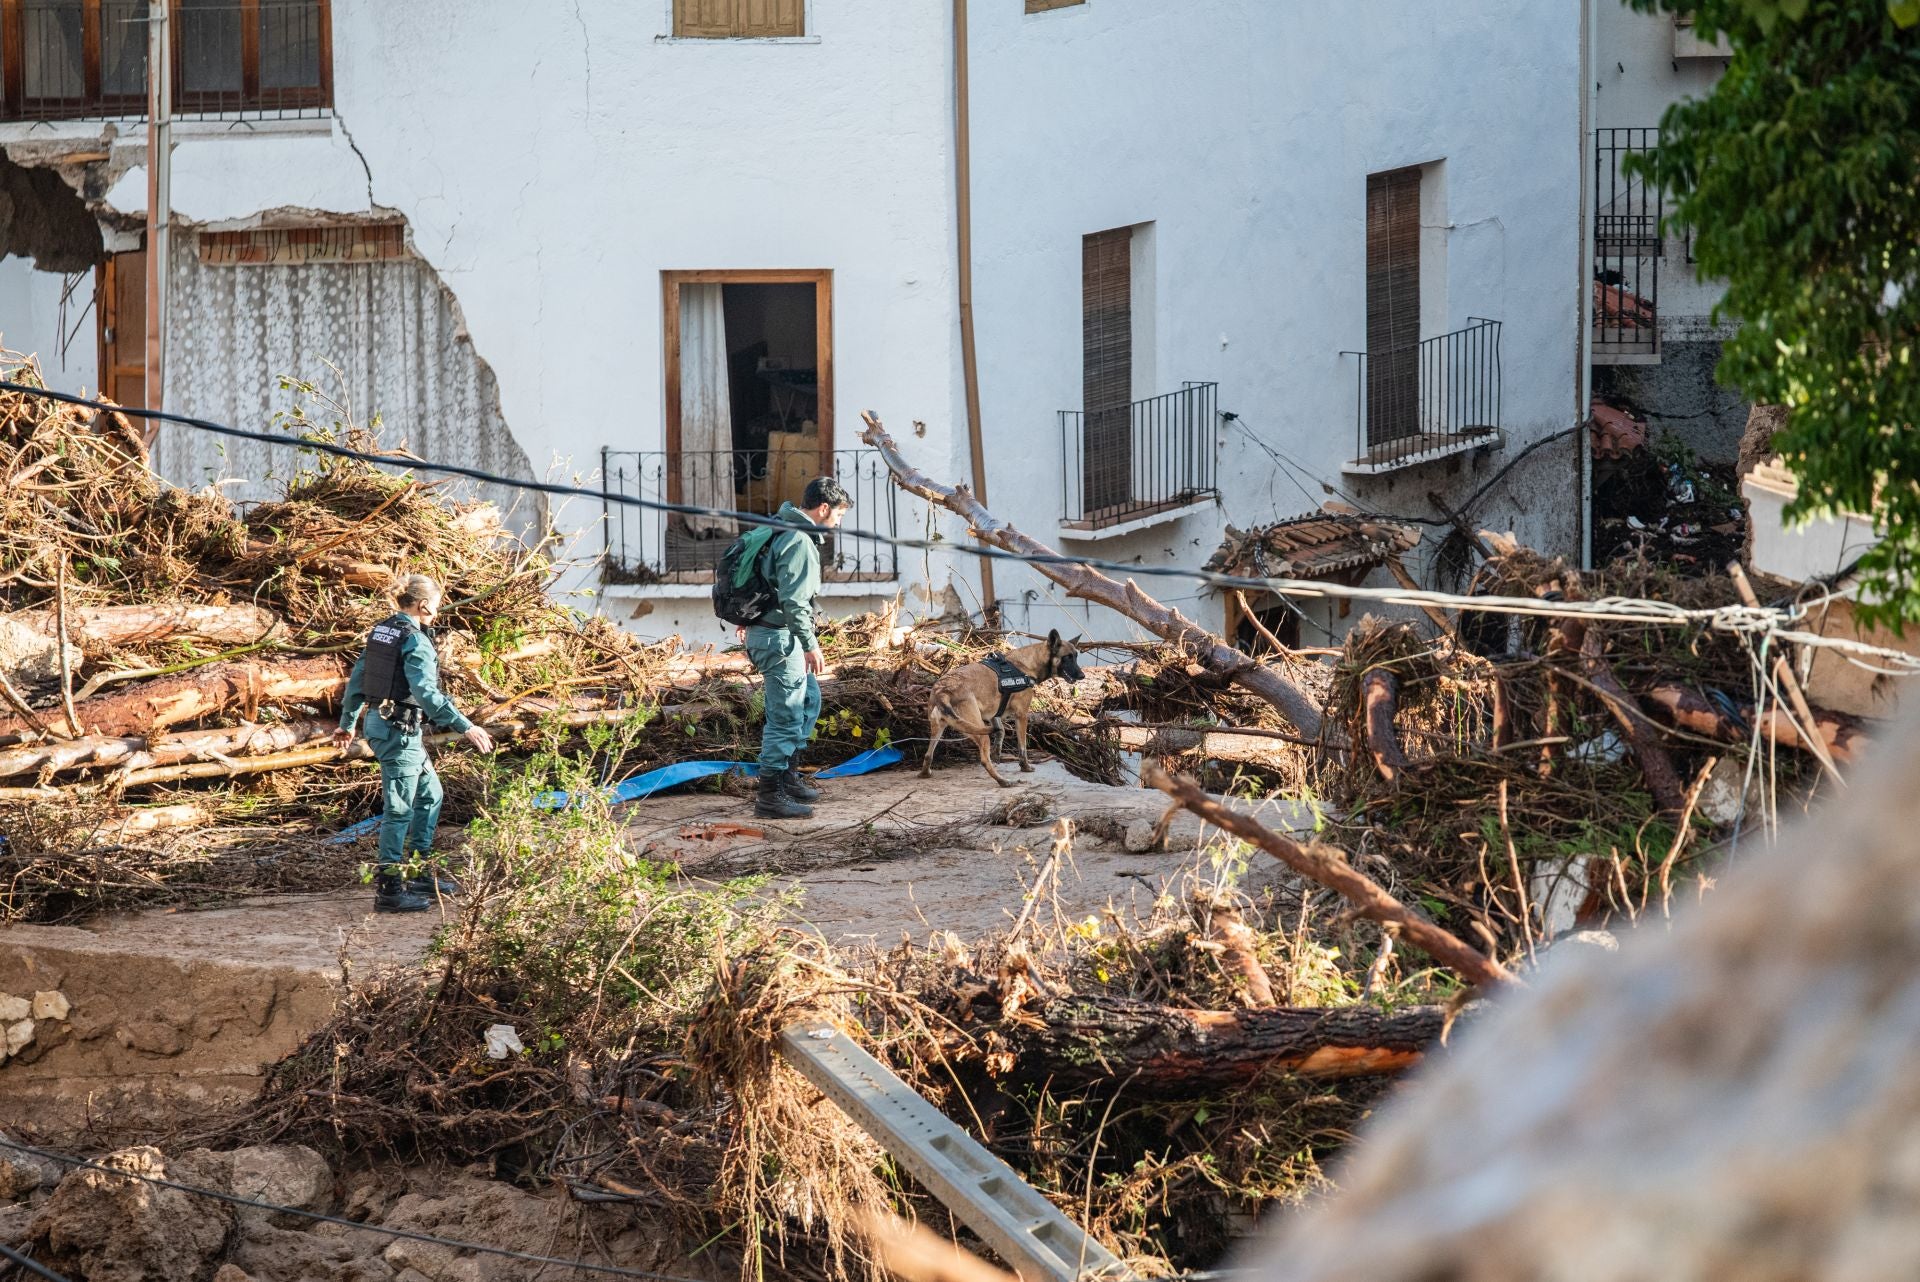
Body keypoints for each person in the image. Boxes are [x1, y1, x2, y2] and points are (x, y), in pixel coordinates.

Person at [333, 574, 495, 913]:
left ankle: (420, 872)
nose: (436, 614)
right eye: (436, 607)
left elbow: (357, 682)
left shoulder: (384, 631)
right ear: (423, 606)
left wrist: (348, 724)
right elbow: (427, 693)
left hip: (384, 724)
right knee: (400, 809)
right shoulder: (416, 640)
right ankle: (390, 889)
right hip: (398, 731)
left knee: (431, 794)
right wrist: (466, 726)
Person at [737, 477, 852, 820]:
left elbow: (765, 581)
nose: (839, 523)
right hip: (779, 637)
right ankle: (770, 797)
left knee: (808, 699)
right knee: (785, 715)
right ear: (824, 508)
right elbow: (795, 602)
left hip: (770, 631)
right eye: (839, 515)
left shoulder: (780, 526)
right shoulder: (799, 539)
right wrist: (810, 644)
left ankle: (788, 777)